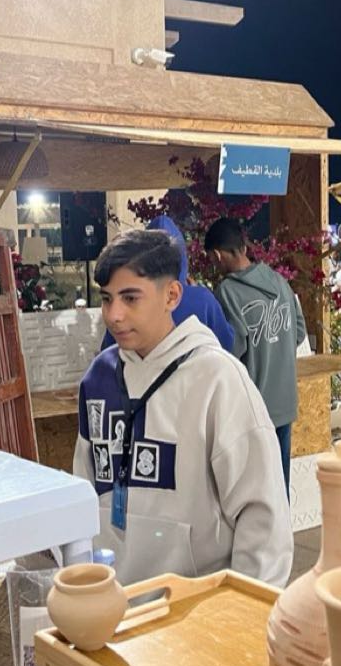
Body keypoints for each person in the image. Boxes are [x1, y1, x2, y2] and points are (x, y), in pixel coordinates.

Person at [74, 229, 292, 587]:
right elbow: (84, 484)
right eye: (107, 299)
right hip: (112, 599)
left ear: (172, 295)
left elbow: (263, 517)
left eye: (130, 298)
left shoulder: (218, 379)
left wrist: (246, 609)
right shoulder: (98, 378)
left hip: (197, 606)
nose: (114, 315)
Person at [203, 218, 306, 494]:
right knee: (279, 490)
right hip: (285, 402)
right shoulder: (279, 281)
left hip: (254, 409)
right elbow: (298, 332)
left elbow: (231, 351)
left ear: (217, 255)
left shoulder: (227, 292)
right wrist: (275, 349)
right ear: (244, 247)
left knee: (255, 495)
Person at [100, 215, 234, 352]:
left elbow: (109, 351)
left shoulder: (121, 311)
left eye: (130, 298)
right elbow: (226, 344)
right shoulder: (203, 300)